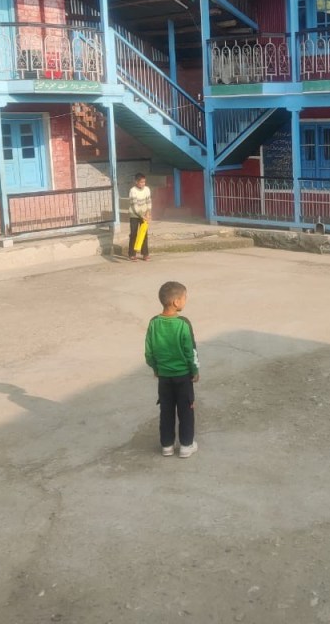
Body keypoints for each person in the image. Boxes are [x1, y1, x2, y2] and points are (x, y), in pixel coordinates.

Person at [145, 281, 200, 458]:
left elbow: (149, 351)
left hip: (164, 377)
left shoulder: (153, 323)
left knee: (166, 411)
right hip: (183, 377)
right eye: (184, 298)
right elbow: (190, 350)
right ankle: (186, 445)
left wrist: (156, 368)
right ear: (176, 302)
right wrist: (194, 370)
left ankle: (167, 445)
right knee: (186, 411)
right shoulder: (183, 323)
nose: (185, 301)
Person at [128, 172, 152, 261]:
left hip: (145, 214)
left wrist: (148, 213)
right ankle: (132, 254)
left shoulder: (147, 189)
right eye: (141, 182)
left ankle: (145, 254)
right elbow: (135, 206)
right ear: (136, 182)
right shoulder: (132, 191)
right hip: (134, 215)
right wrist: (142, 216)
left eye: (144, 182)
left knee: (144, 234)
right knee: (133, 234)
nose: (143, 184)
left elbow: (149, 201)